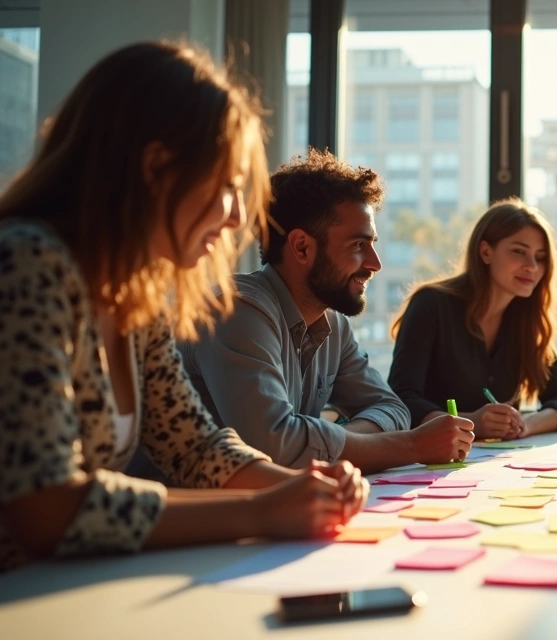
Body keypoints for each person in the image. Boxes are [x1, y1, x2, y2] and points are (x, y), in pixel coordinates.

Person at [0, 42, 366, 572]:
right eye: (228, 186)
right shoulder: (29, 265)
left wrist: (303, 489)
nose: (238, 217)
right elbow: (46, 509)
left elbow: (195, 448)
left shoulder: (135, 299)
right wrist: (261, 511)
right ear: (157, 168)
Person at [179, 150, 473, 472]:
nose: (375, 264)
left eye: (372, 244)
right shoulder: (235, 311)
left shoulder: (332, 324)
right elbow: (275, 447)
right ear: (302, 247)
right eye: (357, 245)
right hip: (185, 503)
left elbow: (392, 409)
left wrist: (331, 442)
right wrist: (413, 445)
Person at [388, 199, 557, 440]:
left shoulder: (525, 321)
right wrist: (472, 423)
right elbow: (401, 399)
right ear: (486, 252)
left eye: (540, 257)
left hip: (501, 460)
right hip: (432, 457)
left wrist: (525, 424)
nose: (532, 266)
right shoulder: (431, 304)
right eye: (519, 252)